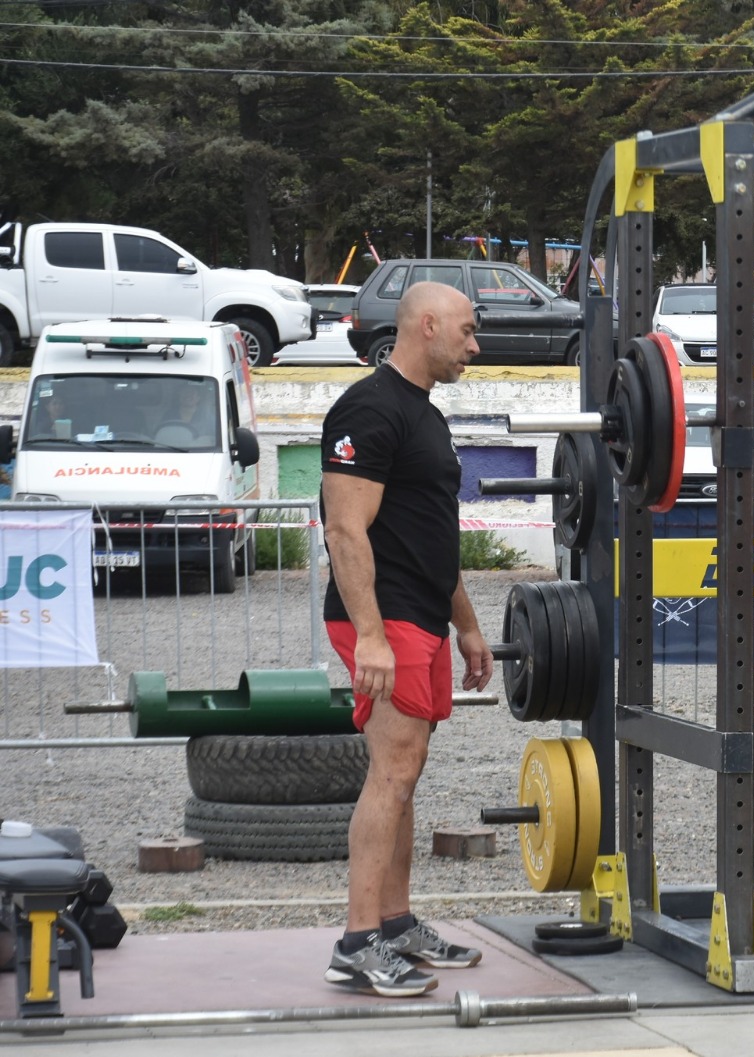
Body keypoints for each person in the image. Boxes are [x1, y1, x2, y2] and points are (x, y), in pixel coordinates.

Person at [319, 281, 494, 997]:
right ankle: (358, 941)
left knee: (406, 770)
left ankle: (394, 923)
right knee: (392, 770)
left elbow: (430, 536)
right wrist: (370, 636)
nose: (474, 345)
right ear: (427, 325)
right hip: (381, 618)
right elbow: (344, 528)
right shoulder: (368, 407)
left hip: (417, 615)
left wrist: (468, 623)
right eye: (467, 330)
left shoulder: (423, 415)